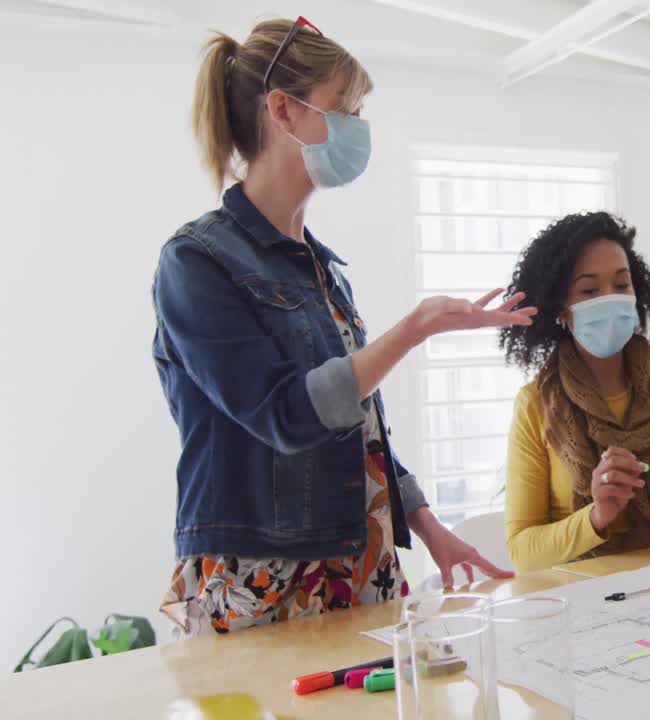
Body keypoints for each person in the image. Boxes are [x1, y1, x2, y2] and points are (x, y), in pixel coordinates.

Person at [153, 17, 535, 635]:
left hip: (362, 558)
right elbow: (283, 414)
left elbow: (360, 423)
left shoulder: (322, 269)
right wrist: (412, 330)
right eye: (343, 107)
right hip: (261, 574)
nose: (359, 127)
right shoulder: (196, 262)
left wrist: (430, 529)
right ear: (283, 109)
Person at [499, 212, 650, 571]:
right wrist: (596, 517)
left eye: (621, 285)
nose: (610, 299)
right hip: (575, 602)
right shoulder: (535, 404)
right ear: (561, 308)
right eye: (589, 290)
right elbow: (522, 550)